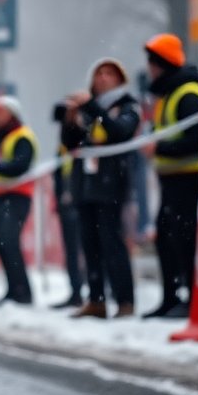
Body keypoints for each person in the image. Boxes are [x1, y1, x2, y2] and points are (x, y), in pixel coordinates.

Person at [61, 58, 139, 318]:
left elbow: (120, 132)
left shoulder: (127, 106)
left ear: (120, 79)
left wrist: (92, 107)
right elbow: (71, 143)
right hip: (85, 185)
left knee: (112, 242)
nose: (103, 78)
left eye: (109, 73)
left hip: (110, 185)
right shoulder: (87, 109)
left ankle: (125, 300)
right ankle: (96, 300)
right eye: (99, 73)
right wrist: (70, 120)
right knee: (89, 243)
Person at [142, 33, 198, 318]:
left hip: (186, 179)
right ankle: (171, 297)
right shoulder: (169, 94)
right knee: (167, 238)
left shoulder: (188, 94)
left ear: (163, 64)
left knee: (184, 238)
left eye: (153, 63)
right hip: (170, 179)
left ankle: (192, 299)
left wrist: (160, 147)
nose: (149, 70)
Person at [0, 95, 37, 307]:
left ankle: (22, 293)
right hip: (0, 197)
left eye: (0, 112)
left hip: (16, 196)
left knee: (9, 243)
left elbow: (19, 166)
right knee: (3, 245)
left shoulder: (21, 136)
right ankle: (14, 290)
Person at [50, 138, 85, 308]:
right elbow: (58, 172)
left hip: (82, 201)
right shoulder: (63, 145)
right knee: (71, 250)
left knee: (87, 249)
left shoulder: (84, 138)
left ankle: (98, 294)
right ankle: (76, 292)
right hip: (67, 201)